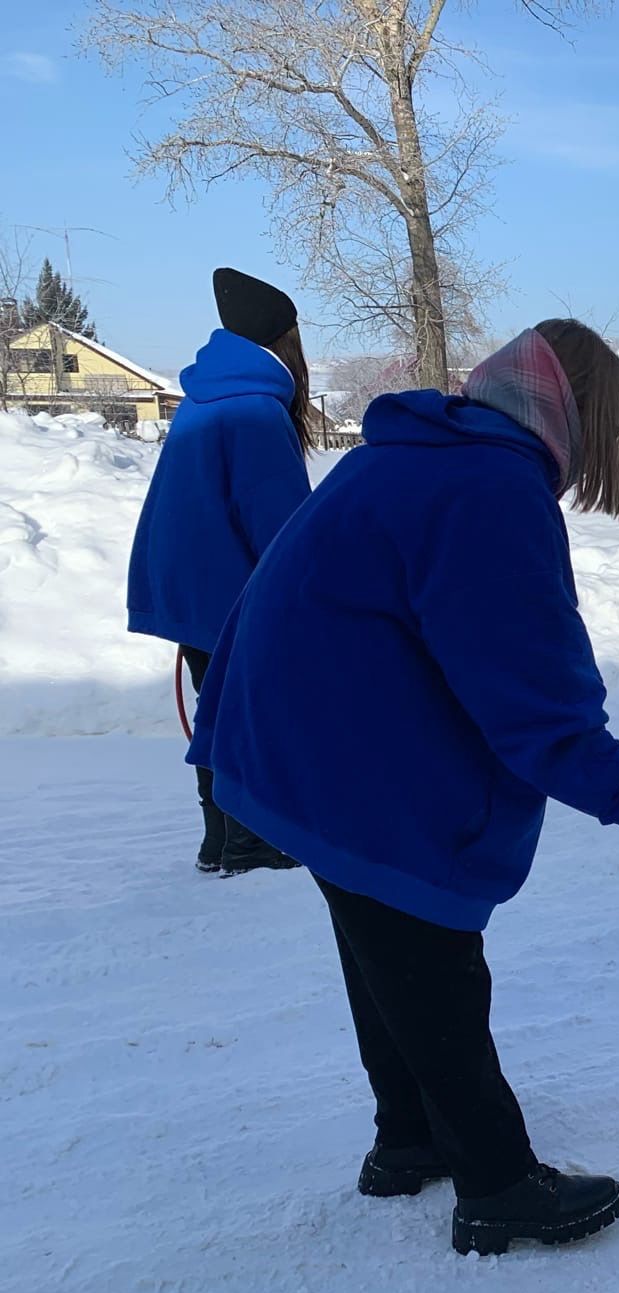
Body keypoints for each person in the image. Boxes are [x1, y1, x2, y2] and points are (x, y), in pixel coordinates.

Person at [186, 320, 619, 1255]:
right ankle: (497, 1184)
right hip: (342, 761)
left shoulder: (412, 454)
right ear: (580, 416)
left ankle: (407, 1141)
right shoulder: (490, 491)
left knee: (378, 944)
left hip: (293, 746)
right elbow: (533, 696)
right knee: (432, 968)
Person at [127, 267, 312, 876]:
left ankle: (221, 840)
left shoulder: (208, 397)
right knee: (247, 713)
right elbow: (281, 526)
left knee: (220, 709)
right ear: (284, 342)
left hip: (191, 588)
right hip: (232, 592)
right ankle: (249, 842)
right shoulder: (257, 409)